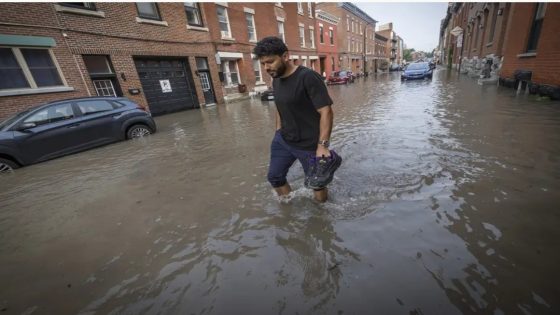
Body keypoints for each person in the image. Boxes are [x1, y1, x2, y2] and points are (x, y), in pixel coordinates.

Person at [253, 36, 339, 203]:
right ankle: (288, 210)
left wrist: (322, 146)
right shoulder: (276, 78)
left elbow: (326, 111)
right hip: (283, 140)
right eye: (263, 63)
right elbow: (280, 105)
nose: (266, 67)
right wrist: (278, 130)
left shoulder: (308, 77)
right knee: (275, 177)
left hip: (309, 145)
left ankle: (321, 215)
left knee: (317, 184)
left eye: (270, 62)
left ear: (285, 56)